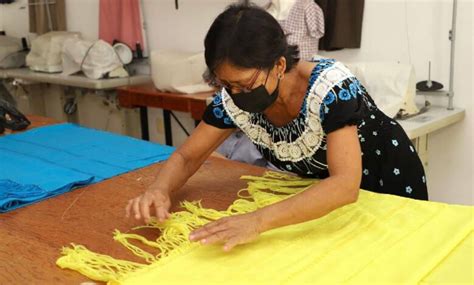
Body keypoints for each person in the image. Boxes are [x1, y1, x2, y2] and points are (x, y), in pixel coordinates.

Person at [126, 4, 428, 252]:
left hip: (386, 178)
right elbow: (188, 157)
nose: (236, 94)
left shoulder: (330, 88)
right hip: (323, 193)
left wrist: (257, 221)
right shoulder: (234, 98)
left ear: (280, 65)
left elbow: (344, 184)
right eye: (226, 84)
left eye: (245, 84)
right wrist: (160, 189)